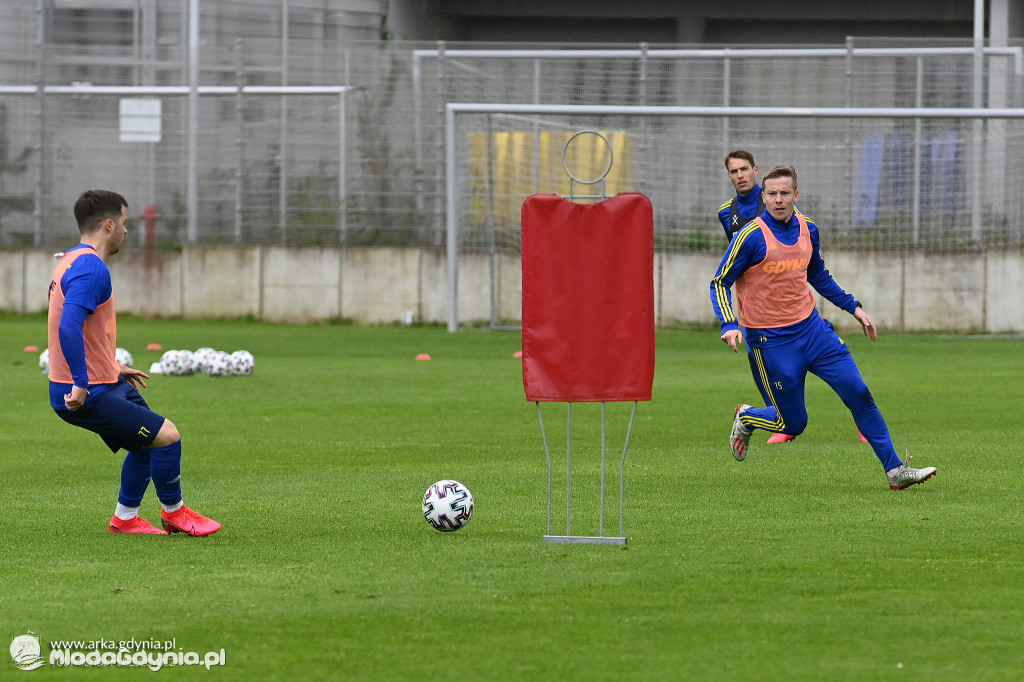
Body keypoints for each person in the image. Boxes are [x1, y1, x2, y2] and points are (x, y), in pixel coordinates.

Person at [709, 166, 936, 490]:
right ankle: (747, 418)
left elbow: (818, 275)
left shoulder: (808, 229)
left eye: (784, 193)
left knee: (859, 392)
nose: (778, 199)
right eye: (771, 194)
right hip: (770, 341)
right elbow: (720, 281)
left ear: (796, 196)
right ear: (763, 196)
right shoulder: (750, 237)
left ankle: (895, 471)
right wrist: (729, 323)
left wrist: (853, 307)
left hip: (814, 332)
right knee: (793, 423)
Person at [47, 189, 221, 535]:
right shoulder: (90, 268)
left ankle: (125, 519)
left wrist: (111, 365)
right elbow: (68, 325)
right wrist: (81, 382)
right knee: (168, 436)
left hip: (102, 379)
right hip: (88, 389)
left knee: (146, 442)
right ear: (109, 224)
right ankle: (175, 512)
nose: (127, 231)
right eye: (125, 223)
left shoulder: (69, 260)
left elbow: (80, 328)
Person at [716, 150, 866, 445]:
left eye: (744, 169)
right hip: (756, 317)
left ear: (756, 171)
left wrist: (852, 305)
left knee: (846, 378)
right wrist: (731, 319)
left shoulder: (777, 202)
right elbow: (734, 267)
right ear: (729, 176)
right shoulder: (727, 213)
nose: (740, 175)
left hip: (797, 316)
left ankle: (862, 421)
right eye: (734, 171)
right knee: (770, 378)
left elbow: (812, 268)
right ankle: (777, 420)